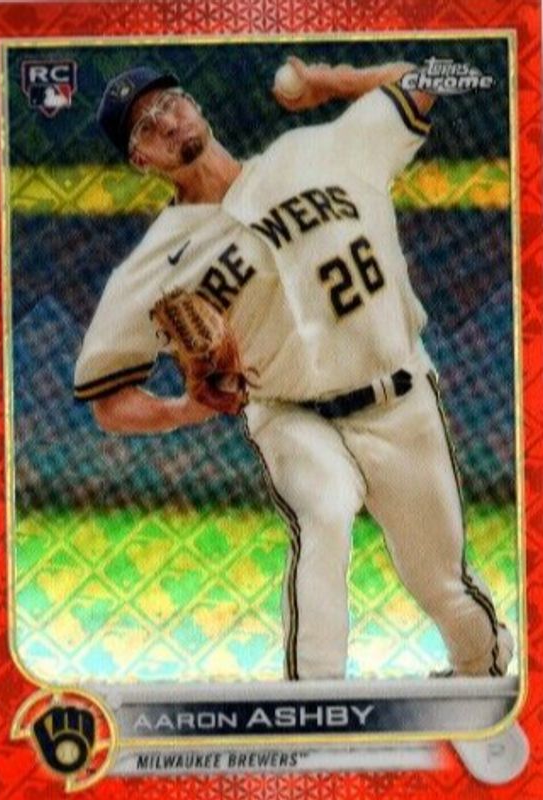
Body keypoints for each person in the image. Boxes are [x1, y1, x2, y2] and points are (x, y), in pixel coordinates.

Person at [74, 57, 514, 680]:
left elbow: (437, 76)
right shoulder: (151, 267)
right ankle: (312, 700)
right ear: (140, 159)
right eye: (145, 125)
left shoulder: (319, 150)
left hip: (400, 400)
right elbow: (108, 400)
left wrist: (329, 83)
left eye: (169, 102)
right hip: (288, 414)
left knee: (442, 586)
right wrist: (183, 410)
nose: (166, 122)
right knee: (323, 511)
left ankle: (483, 669)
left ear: (194, 104)